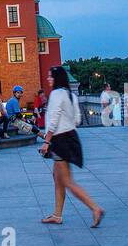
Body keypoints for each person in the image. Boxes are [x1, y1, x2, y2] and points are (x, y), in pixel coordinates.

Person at [41, 66, 103, 227]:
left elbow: (53, 120)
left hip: (60, 140)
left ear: (57, 79)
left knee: (67, 181)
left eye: (50, 76)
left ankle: (95, 208)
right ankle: (57, 215)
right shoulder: (71, 95)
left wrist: (47, 141)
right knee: (57, 177)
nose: (48, 79)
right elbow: (77, 120)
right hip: (71, 137)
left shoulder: (55, 94)